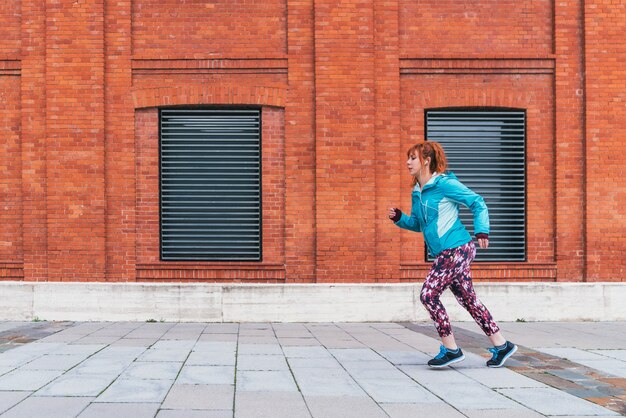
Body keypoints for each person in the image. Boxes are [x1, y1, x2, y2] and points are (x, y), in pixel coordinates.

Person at [388, 141, 517, 368]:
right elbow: (418, 224)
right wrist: (399, 218)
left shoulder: (445, 184)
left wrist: (482, 230)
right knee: (468, 299)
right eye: (408, 158)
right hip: (445, 253)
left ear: (426, 161)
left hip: (457, 248)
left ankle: (451, 349)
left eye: (413, 158)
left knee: (428, 295)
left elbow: (477, 201)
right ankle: (502, 345)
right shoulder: (417, 192)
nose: (408, 162)